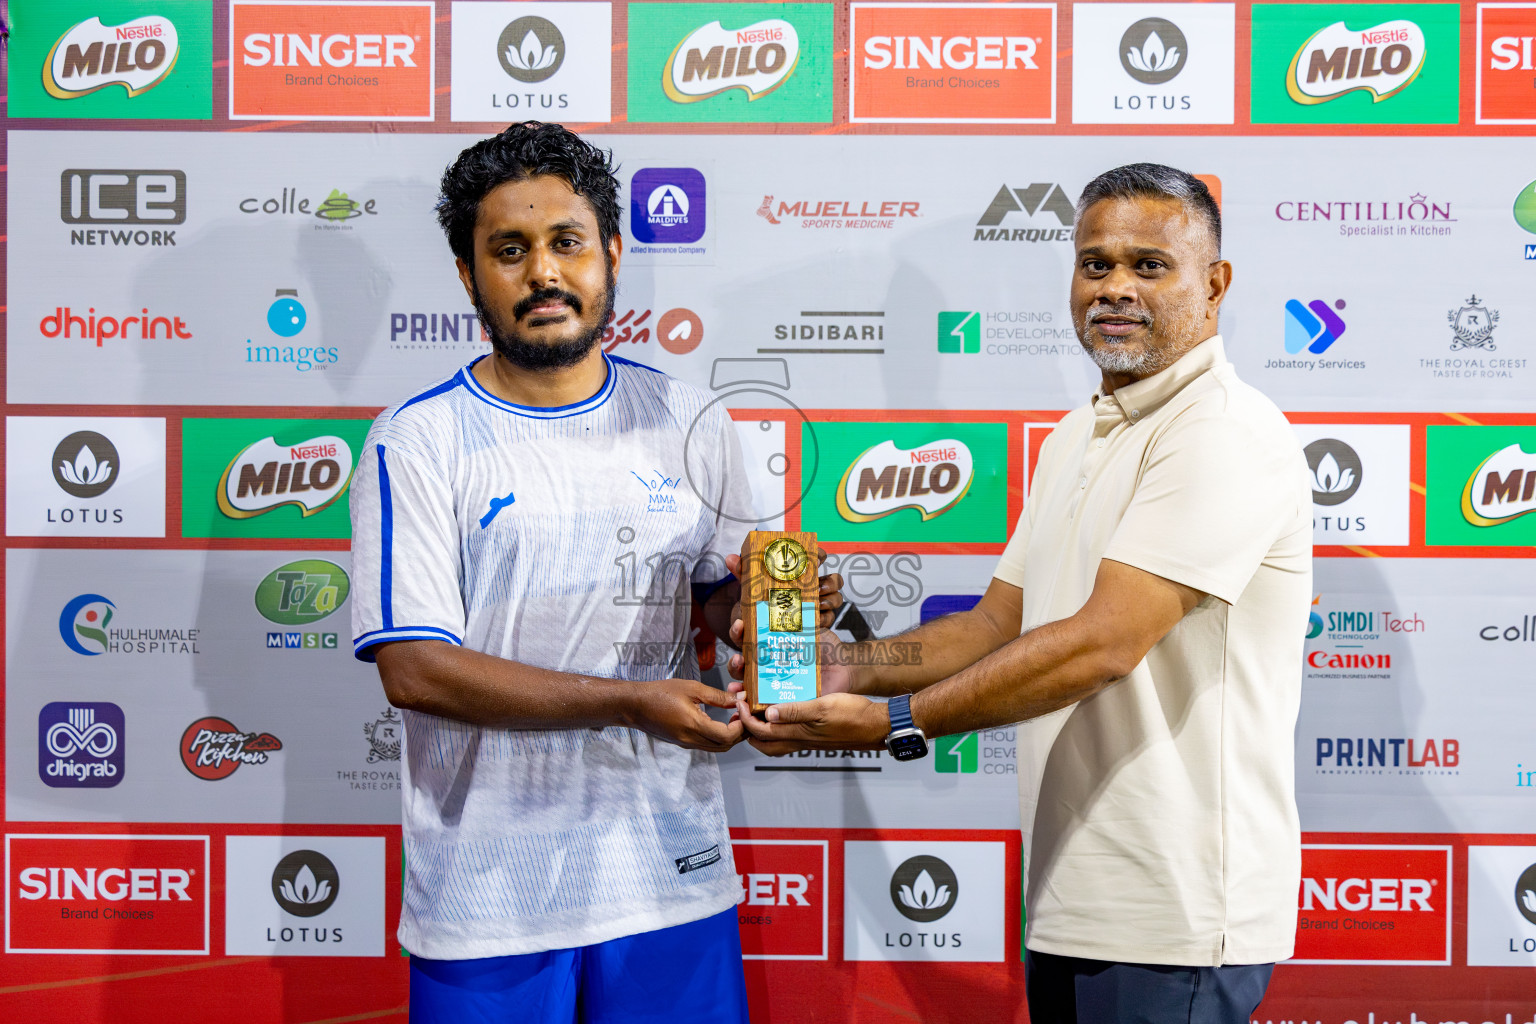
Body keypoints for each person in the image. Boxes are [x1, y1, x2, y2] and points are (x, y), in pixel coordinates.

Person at [735, 163, 1312, 1024]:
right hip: (1075, 893)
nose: (1114, 287)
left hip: (1178, 913)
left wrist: (897, 722)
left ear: (1215, 285)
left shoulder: (1226, 433)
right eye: (1095, 263)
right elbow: (997, 623)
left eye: (1149, 265)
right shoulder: (1081, 431)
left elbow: (1102, 643)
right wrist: (846, 668)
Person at [349, 121, 841, 1023]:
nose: (543, 273)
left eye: (567, 242)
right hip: (486, 901)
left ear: (611, 253)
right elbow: (413, 669)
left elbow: (725, 593)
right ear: (469, 275)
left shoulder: (691, 419)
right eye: (510, 250)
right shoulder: (415, 441)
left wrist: (773, 614)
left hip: (666, 874)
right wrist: (627, 700)